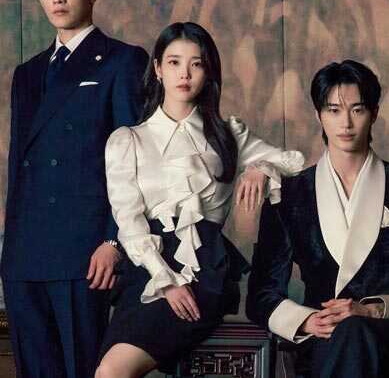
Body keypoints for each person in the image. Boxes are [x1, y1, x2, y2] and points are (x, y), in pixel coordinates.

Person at [94, 22, 304, 377]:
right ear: (158, 69)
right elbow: (129, 222)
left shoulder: (228, 134)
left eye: (197, 64)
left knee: (113, 371)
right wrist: (165, 281)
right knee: (108, 371)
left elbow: (294, 162)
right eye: (174, 62)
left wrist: (261, 168)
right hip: (148, 272)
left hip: (206, 270)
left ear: (209, 73)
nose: (185, 74)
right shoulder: (127, 140)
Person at [246, 60, 389, 378]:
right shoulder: (289, 195)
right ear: (319, 115)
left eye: (357, 110)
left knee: (355, 331)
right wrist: (307, 321)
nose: (346, 123)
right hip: (322, 340)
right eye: (334, 110)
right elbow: (261, 294)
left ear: (374, 114)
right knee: (347, 335)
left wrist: (371, 310)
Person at [1, 0, 148, 377]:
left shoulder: (123, 61)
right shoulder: (27, 73)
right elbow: (19, 170)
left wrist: (114, 242)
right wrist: (10, 253)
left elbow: (136, 161)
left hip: (86, 252)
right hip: (26, 254)